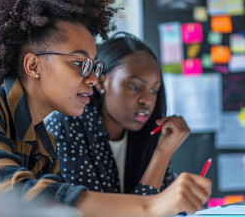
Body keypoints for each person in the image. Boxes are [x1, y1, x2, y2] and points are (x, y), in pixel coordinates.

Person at [0, 0, 211, 216]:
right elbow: (11, 194)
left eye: (95, 66)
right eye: (80, 64)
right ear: (33, 65)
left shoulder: (43, 144)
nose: (93, 79)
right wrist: (153, 206)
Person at [45, 32, 195, 196]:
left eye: (154, 90)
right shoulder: (66, 126)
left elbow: (170, 209)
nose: (147, 100)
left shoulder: (149, 135)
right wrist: (162, 154)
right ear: (101, 81)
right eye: (135, 87)